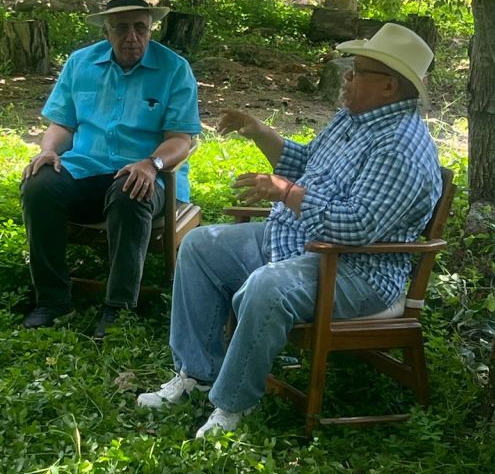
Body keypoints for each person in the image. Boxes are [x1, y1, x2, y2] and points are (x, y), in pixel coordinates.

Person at [137, 23, 442, 436]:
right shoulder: (352, 120)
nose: (346, 77)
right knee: (199, 245)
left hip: (357, 270)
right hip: (302, 242)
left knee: (267, 287)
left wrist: (287, 194)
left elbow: (356, 227)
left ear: (388, 86)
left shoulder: (400, 147)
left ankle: (232, 406)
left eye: (357, 71)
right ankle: (197, 373)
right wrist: (261, 132)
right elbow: (306, 163)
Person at [20, 0, 202, 338]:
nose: (131, 36)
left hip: (149, 176)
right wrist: (48, 150)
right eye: (121, 28)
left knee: (130, 189)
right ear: (107, 30)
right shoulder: (80, 63)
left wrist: (152, 164)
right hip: (85, 169)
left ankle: (119, 308)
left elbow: (181, 139)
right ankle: (53, 299)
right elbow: (62, 123)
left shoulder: (174, 69)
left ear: (151, 28)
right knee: (38, 186)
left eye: (140, 27)